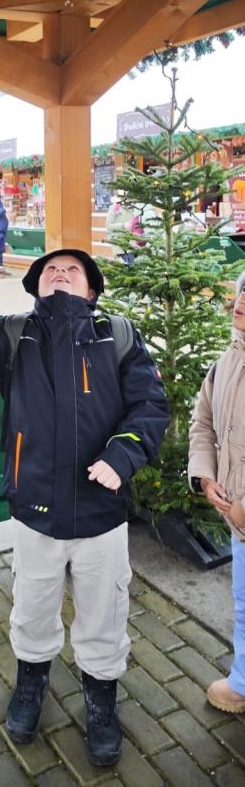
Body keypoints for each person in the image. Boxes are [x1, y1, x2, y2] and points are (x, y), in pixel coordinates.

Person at [0, 237, 169, 766]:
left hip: (101, 512)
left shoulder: (118, 336)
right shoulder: (13, 335)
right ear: (35, 285)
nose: (61, 273)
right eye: (50, 269)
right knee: (33, 603)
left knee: (104, 610)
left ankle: (101, 697)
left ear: (91, 291)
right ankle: (31, 683)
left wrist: (122, 456)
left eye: (73, 269)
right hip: (35, 510)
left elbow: (150, 405)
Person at [188, 270, 245, 714]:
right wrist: (205, 476)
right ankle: (242, 682)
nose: (242, 301)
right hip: (237, 520)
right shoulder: (227, 361)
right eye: (244, 291)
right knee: (244, 603)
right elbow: (203, 422)